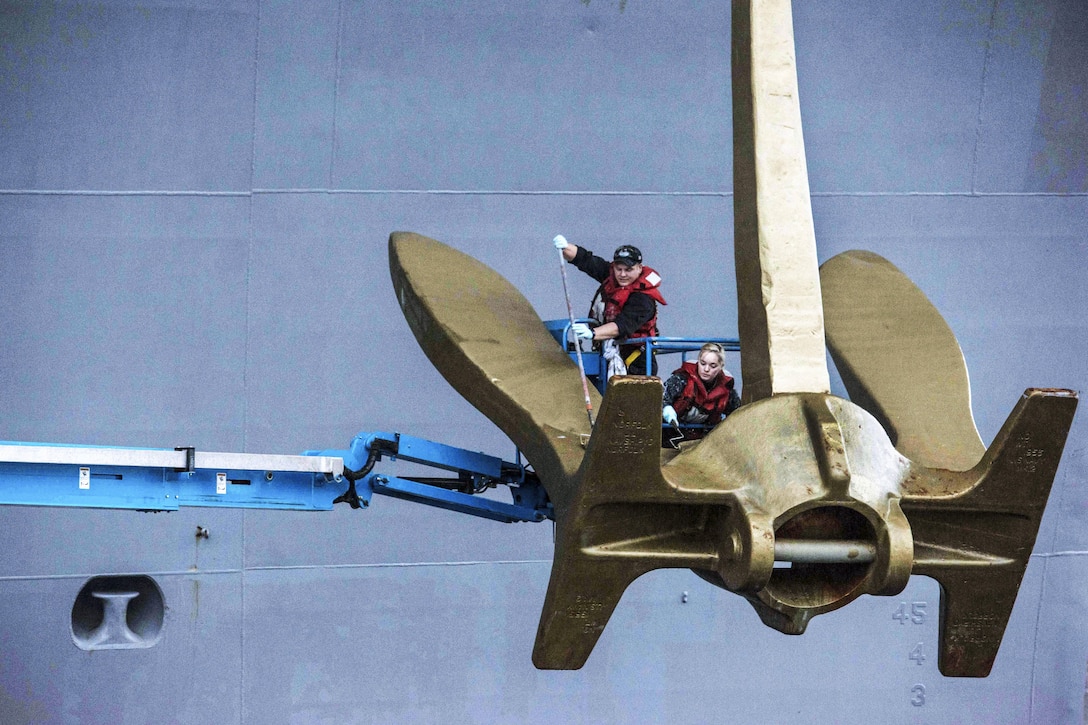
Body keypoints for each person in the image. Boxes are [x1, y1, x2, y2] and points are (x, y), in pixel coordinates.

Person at [552, 234, 666, 376]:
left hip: (636, 363)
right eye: (619, 269)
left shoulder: (643, 300)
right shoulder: (611, 276)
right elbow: (586, 260)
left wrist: (592, 333)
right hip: (607, 354)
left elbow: (621, 326)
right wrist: (565, 247)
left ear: (639, 268)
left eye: (628, 270)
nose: (622, 274)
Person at [661, 342, 740, 443]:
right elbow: (662, 399)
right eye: (703, 363)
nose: (706, 369)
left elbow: (738, 414)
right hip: (669, 434)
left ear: (721, 366)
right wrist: (668, 412)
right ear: (698, 362)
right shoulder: (681, 380)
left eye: (713, 366)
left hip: (703, 441)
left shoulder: (727, 391)